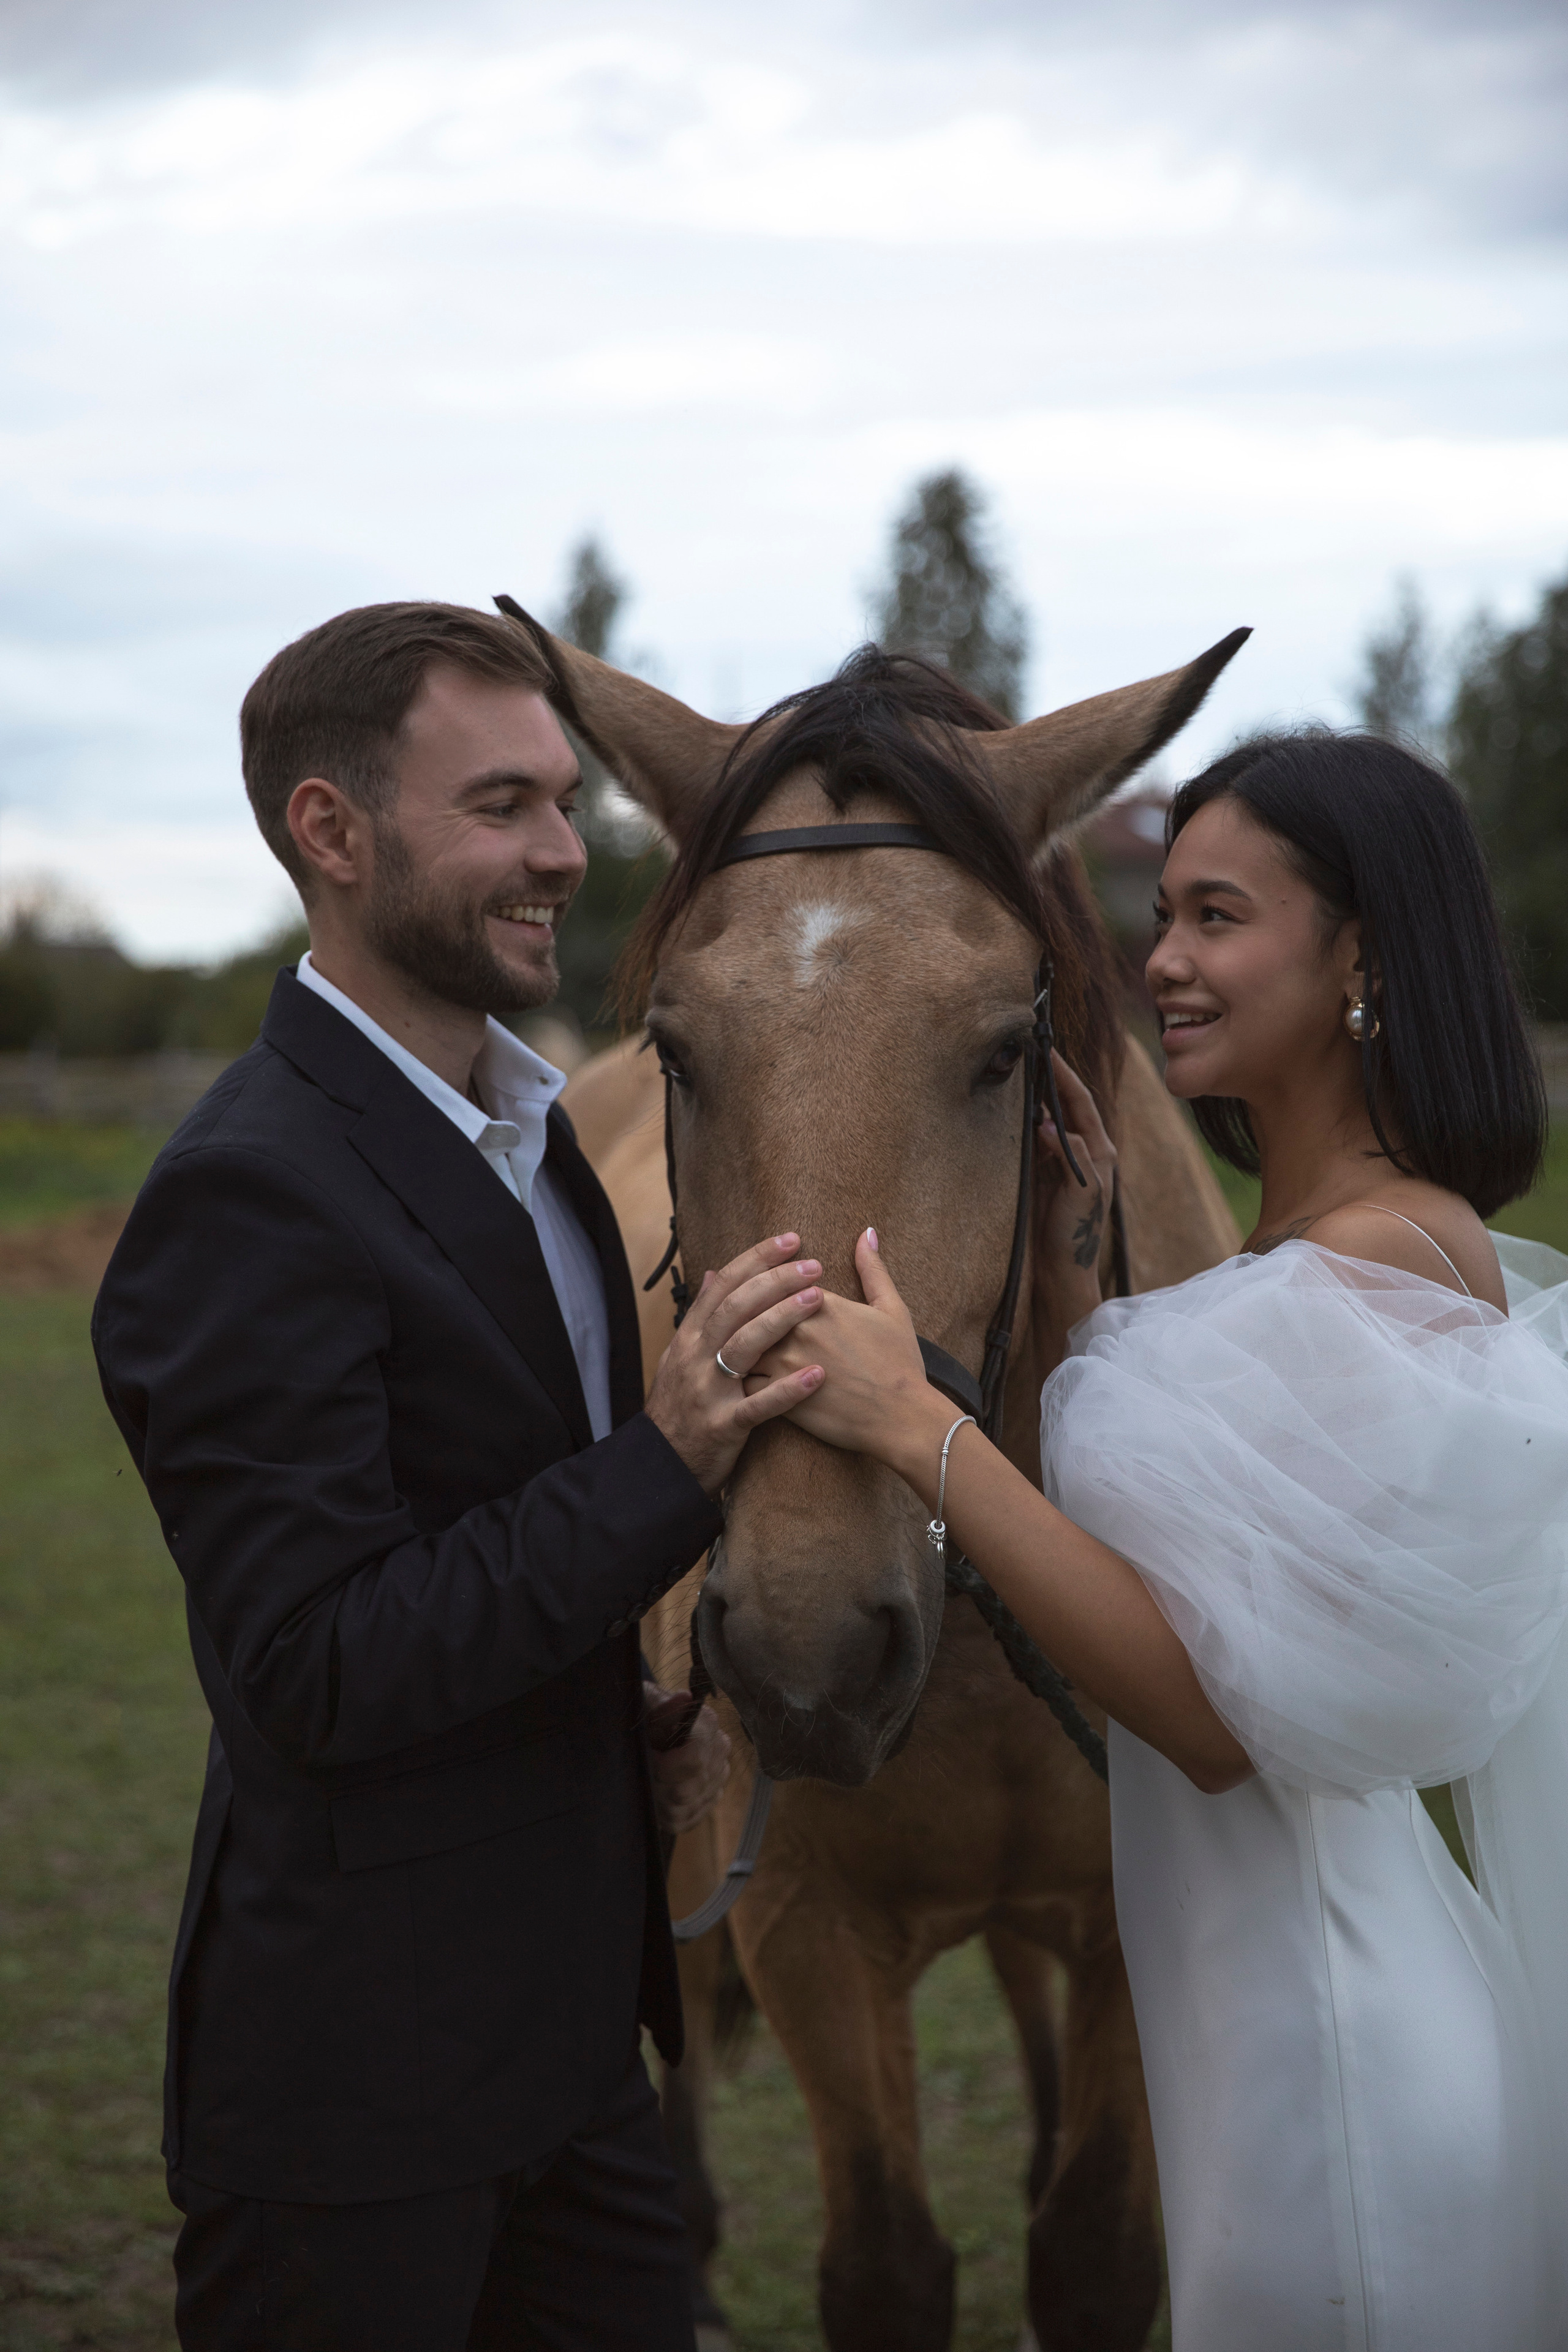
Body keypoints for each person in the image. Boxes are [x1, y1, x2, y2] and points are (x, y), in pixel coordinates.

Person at [742, 730, 1568, 2349]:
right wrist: (1066, 1276)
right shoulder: (1322, 1254)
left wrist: (916, 1424)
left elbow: (1200, 1715)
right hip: (1282, 2030)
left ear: (1361, 960)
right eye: (1164, 913)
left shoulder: (1370, 1268)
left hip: (1323, 2063)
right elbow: (1201, 1538)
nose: (1159, 962)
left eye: (1217, 916)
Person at [91, 602, 829, 2352]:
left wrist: (609, 1721)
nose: (565, 855)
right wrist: (670, 1462)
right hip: (361, 2102)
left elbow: (485, 1541)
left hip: (577, 2065)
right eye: (501, 806)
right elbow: (320, 1661)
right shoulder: (248, 1194)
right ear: (330, 835)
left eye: (569, 804)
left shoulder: (539, 1145)